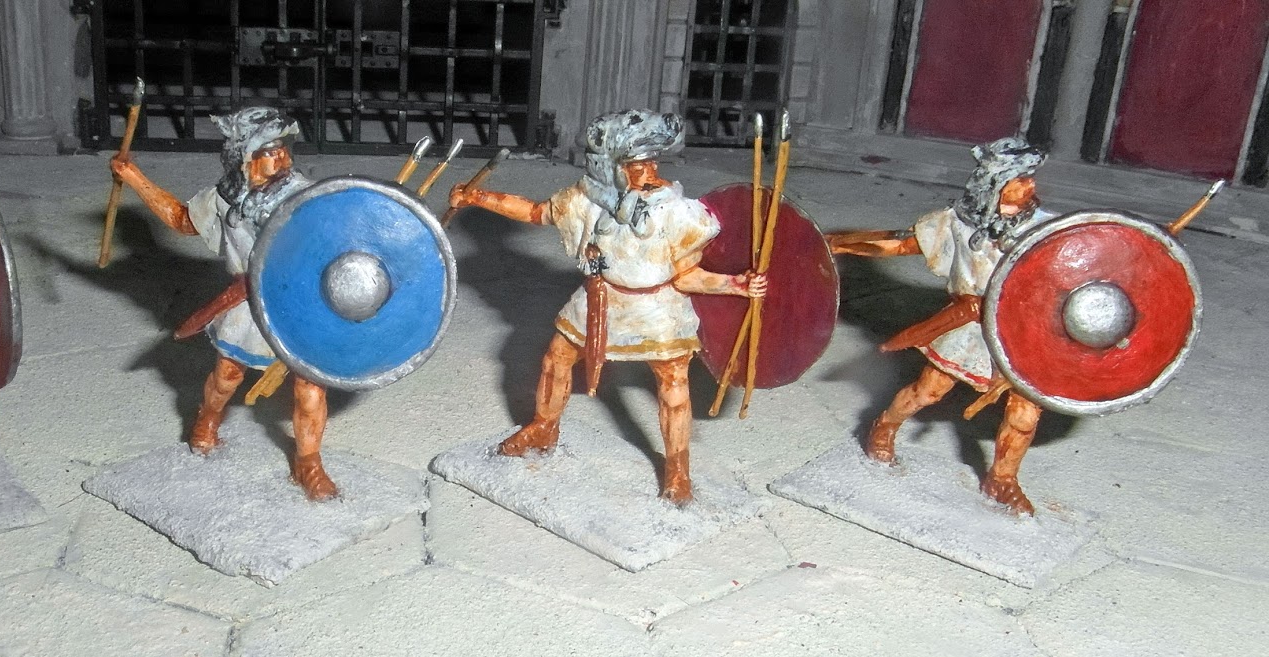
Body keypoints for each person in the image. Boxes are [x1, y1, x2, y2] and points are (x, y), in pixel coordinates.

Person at [449, 109, 767, 505]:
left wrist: (735, 284)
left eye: (652, 162)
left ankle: (678, 469)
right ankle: (544, 427)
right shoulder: (587, 199)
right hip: (600, 298)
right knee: (557, 357)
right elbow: (536, 212)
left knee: (672, 383)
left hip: (657, 309)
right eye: (636, 164)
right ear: (611, 167)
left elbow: (686, 276)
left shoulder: (678, 212)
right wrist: (476, 197)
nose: (648, 172)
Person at [109, 107, 338, 500]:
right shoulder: (223, 199)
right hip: (247, 304)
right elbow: (181, 219)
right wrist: (134, 177)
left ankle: (309, 463)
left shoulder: (306, 196)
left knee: (310, 387)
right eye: (269, 151)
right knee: (226, 376)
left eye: (283, 149)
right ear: (244, 158)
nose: (281, 158)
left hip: (297, 305)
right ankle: (208, 419)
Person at [827, 137, 1049, 514]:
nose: (1029, 185)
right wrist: (841, 243)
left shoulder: (1051, 230)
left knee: (1025, 413)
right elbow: (903, 244)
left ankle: (1002, 479)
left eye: (1030, 177)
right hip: (968, 329)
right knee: (927, 392)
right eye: (1019, 179)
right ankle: (885, 425)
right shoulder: (956, 224)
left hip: (1020, 334)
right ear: (995, 183)